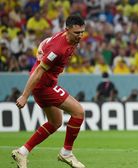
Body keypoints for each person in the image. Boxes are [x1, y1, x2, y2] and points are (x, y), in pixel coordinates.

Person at [12, 15, 86, 168]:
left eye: (82, 32)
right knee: (78, 112)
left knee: (55, 122)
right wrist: (25, 96)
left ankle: (22, 152)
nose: (80, 36)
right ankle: (66, 153)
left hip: (47, 83)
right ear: (67, 30)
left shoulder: (67, 39)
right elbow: (38, 71)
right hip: (44, 85)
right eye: (76, 33)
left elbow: (44, 43)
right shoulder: (58, 49)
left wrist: (40, 53)